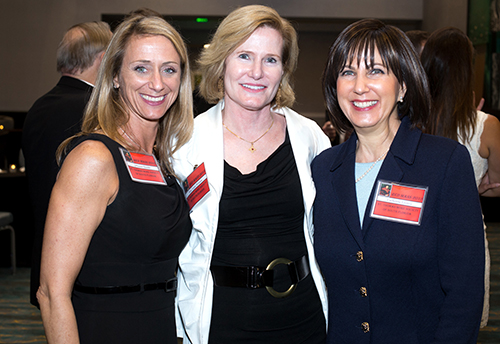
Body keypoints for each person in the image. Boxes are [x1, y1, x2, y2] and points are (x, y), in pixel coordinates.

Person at [312, 18, 485, 343]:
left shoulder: (444, 163)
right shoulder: (323, 170)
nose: (359, 86)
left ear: (403, 85)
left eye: (375, 71)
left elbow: (465, 292)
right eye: (347, 72)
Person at [172, 5, 329, 344]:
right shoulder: (184, 143)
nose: (256, 72)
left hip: (303, 317)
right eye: (244, 56)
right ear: (222, 63)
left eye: (270, 59)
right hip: (221, 321)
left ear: (283, 70)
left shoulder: (310, 137)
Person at [36, 14, 193, 344]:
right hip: (105, 329)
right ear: (116, 76)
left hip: (159, 327)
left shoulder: (163, 158)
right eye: (141, 68)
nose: (157, 83)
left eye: (169, 69)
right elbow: (52, 292)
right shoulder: (94, 158)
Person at [22, 21, 112, 308]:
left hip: (45, 257)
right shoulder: (95, 110)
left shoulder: (38, 106)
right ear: (102, 60)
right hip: (85, 269)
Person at [421, 26, 500, 328]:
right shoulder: (486, 125)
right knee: (461, 322)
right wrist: (473, 188)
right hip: (465, 237)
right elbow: (495, 186)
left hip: (415, 232)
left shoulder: (408, 119)